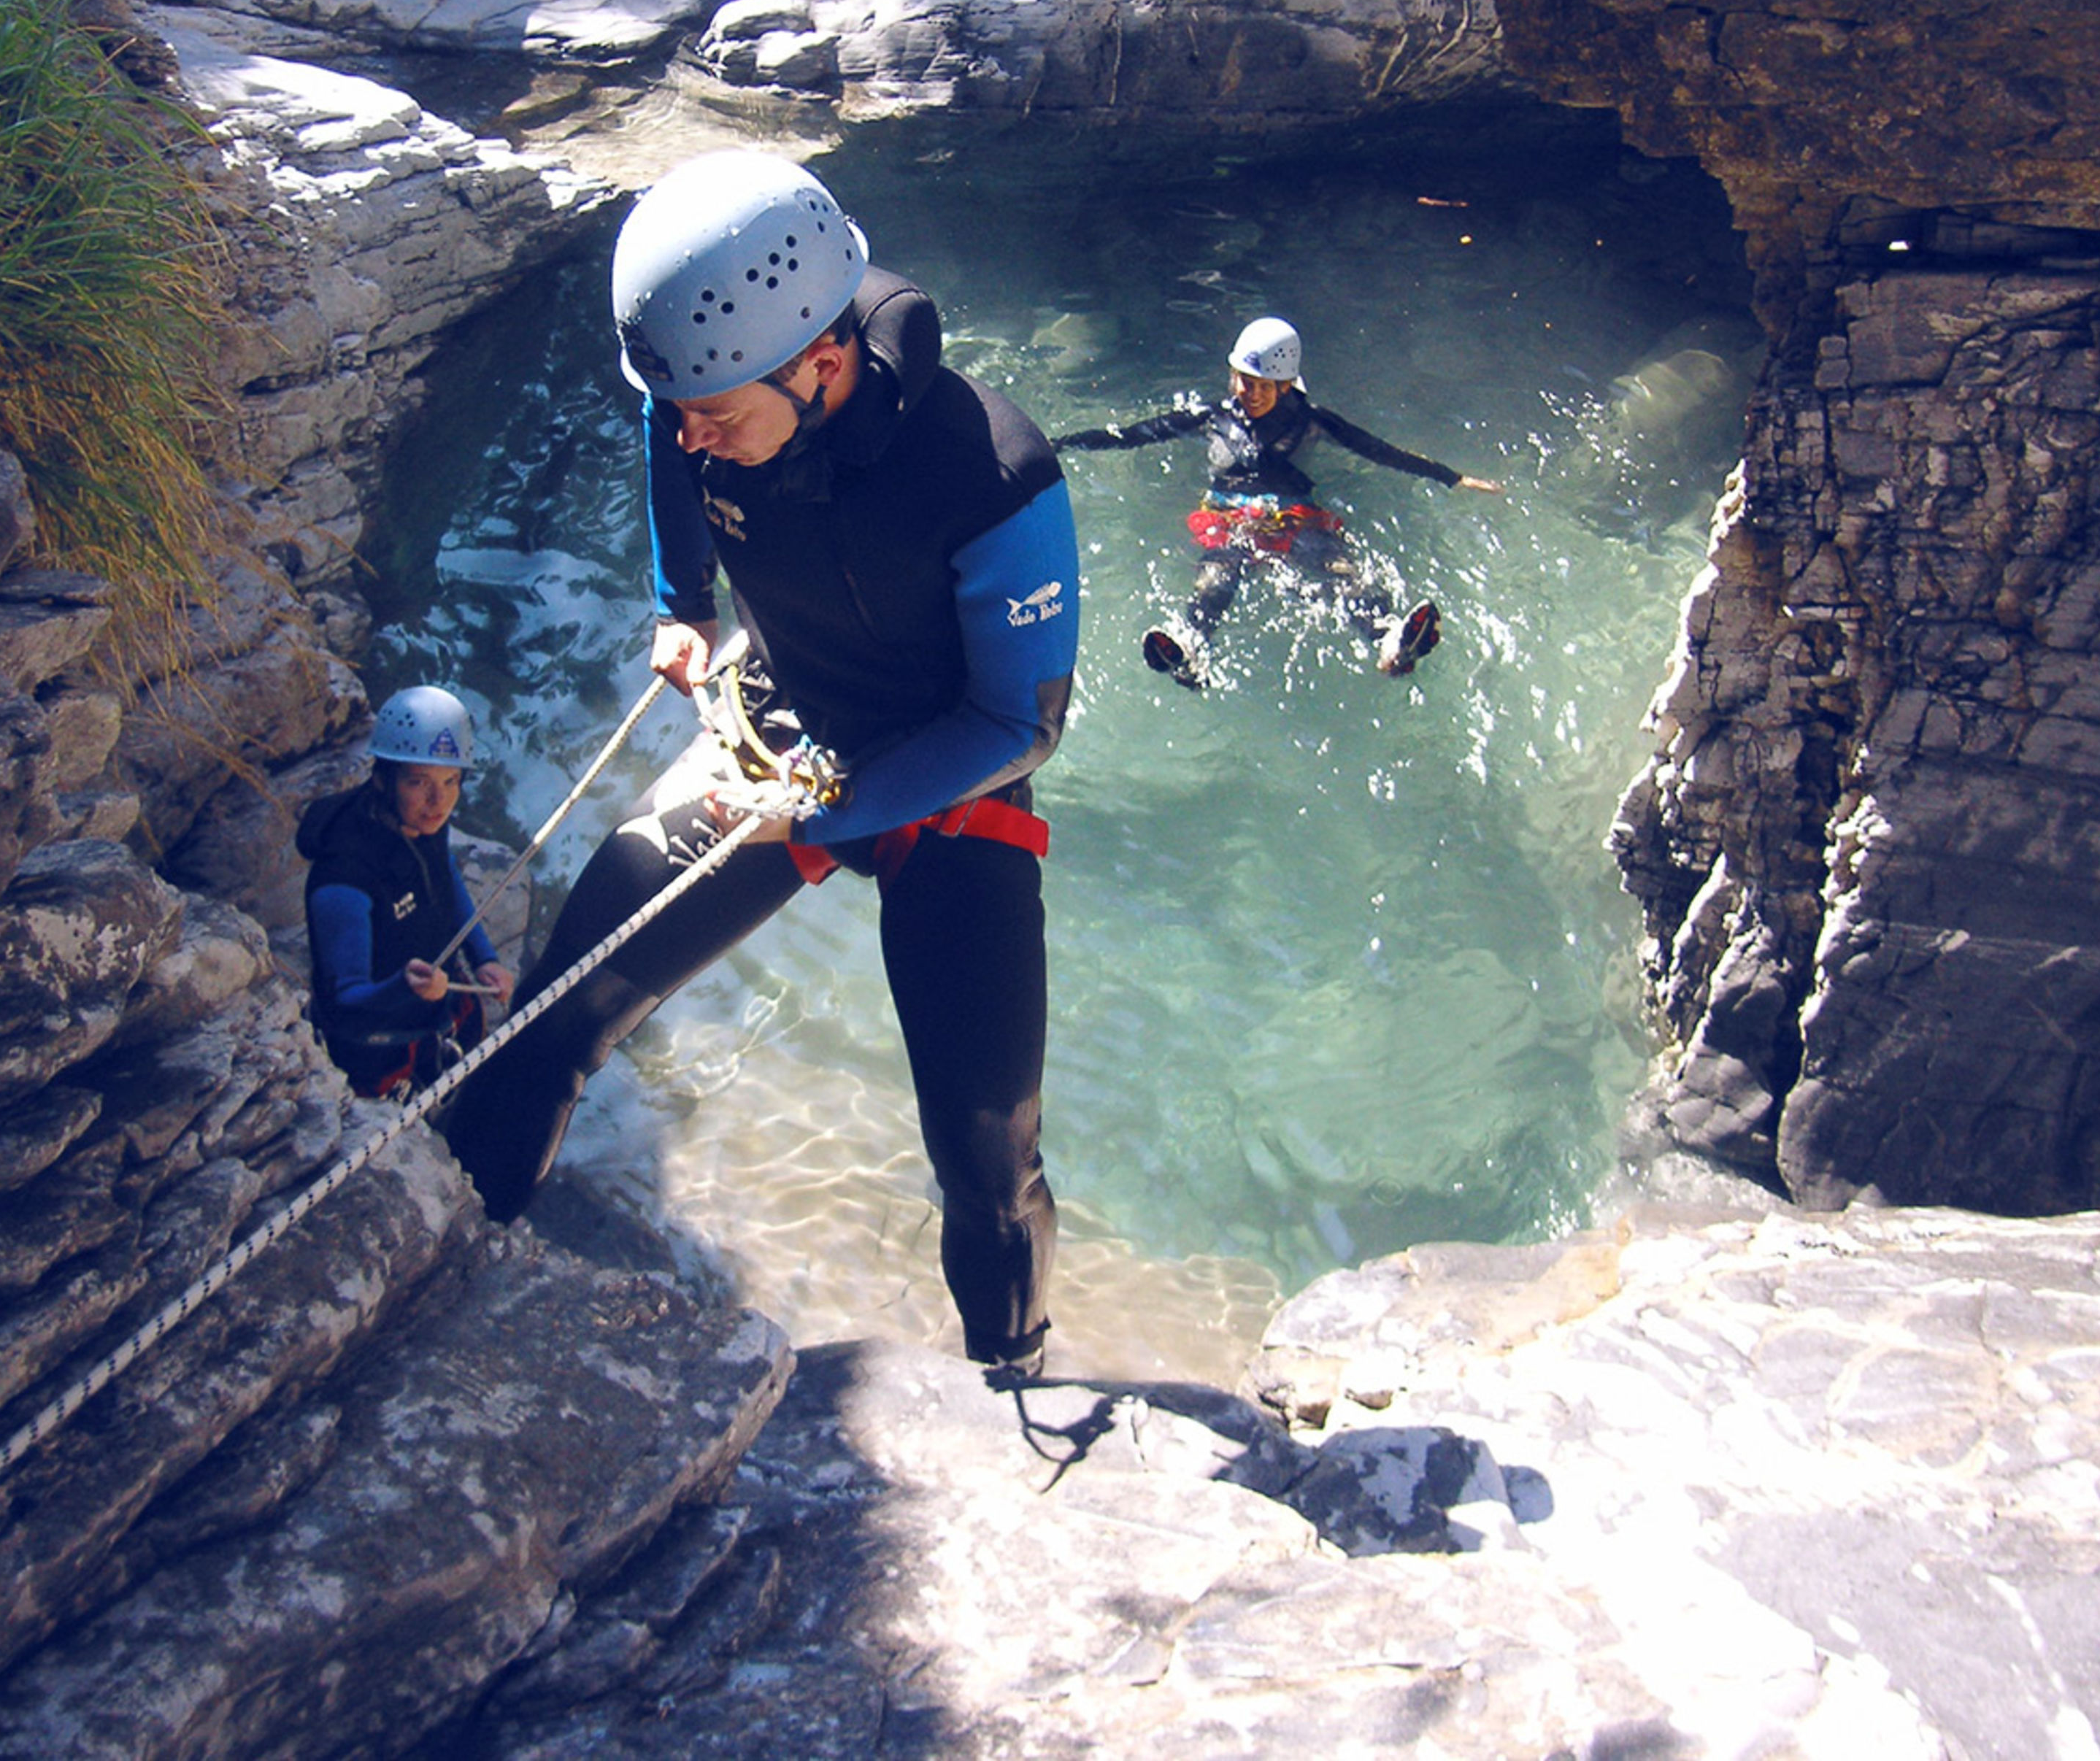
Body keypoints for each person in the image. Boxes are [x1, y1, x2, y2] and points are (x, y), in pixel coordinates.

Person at [439, 148, 1079, 1376]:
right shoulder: (712, 389)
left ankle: (1016, 1372)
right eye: (684, 409)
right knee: (548, 1023)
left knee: (988, 1162)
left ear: (821, 363)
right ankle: (444, 1281)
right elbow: (664, 427)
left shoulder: (992, 476)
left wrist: (822, 817)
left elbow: (1019, 727)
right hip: (778, 730)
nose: (694, 436)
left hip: (949, 796)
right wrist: (684, 602)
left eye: (718, 417)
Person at [1055, 315, 1502, 687]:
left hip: (1292, 515)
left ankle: (1389, 638)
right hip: (1229, 515)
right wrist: (1062, 444)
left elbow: (1378, 450)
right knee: (1217, 576)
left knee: (1336, 568)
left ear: (1286, 385)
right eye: (1240, 380)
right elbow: (1133, 435)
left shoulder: (1312, 421)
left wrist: (1453, 478)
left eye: (1260, 385)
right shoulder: (1212, 417)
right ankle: (1190, 648)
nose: (1246, 392)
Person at [298, 682, 515, 1098]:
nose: (439, 801)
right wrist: (405, 987)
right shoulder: (344, 879)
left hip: (434, 1016)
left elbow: (443, 878)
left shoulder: (419, 821)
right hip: (378, 1055)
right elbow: (345, 1000)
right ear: (383, 779)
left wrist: (483, 957)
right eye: (419, 782)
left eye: (451, 781)